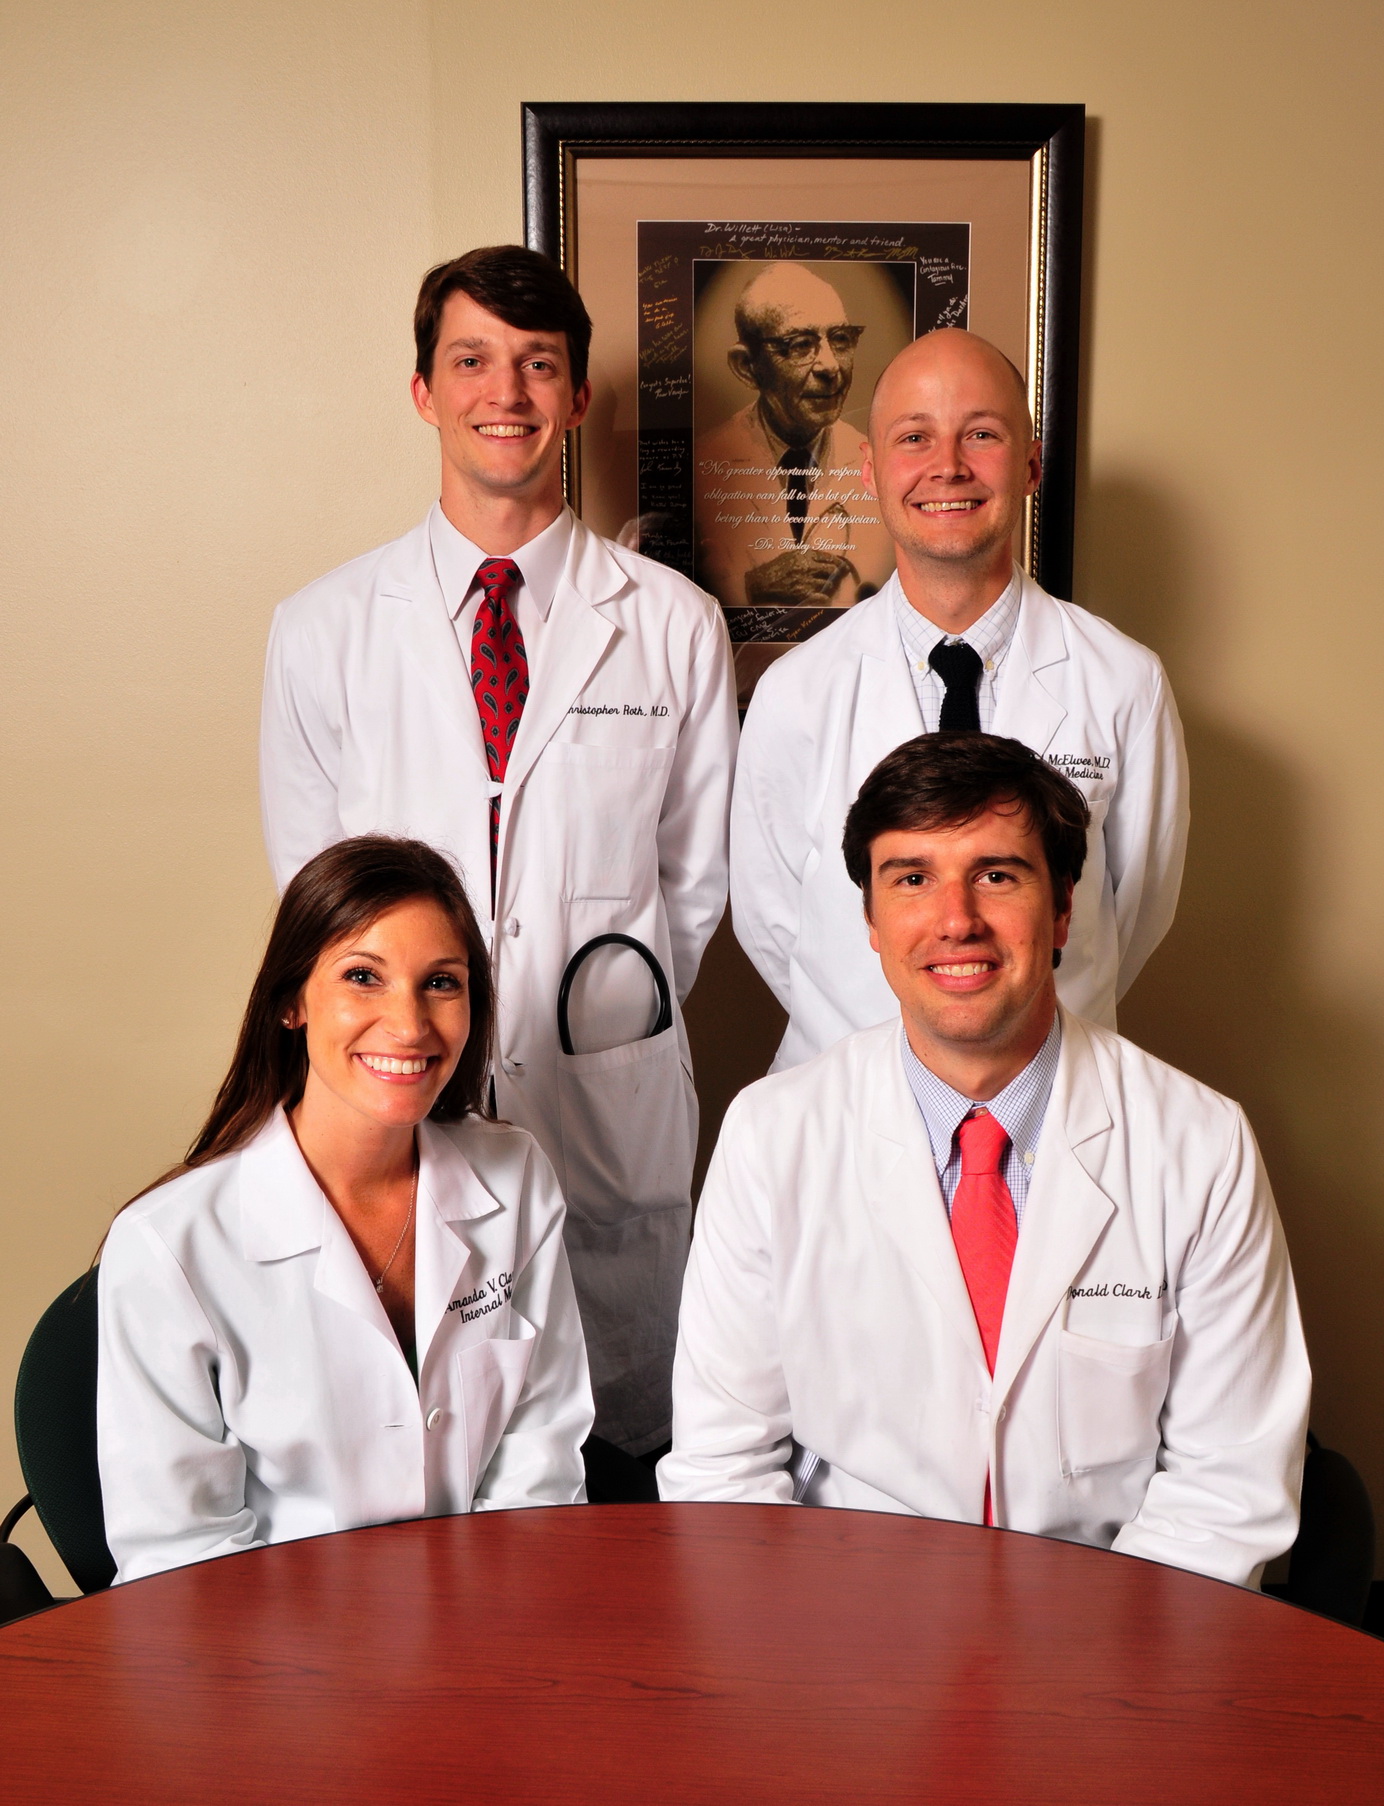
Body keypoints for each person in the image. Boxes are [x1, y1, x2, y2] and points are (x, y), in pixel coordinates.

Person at [260, 247, 737, 1467]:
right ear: (424, 390)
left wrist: (593, 1010)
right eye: (471, 361)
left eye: (537, 365)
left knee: (613, 1456)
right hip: (395, 1083)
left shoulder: (672, 623)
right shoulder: (323, 629)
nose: (505, 392)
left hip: (601, 1092)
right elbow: (314, 900)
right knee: (418, 1436)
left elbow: (691, 886)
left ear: (578, 398)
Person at [661, 735, 1309, 1588]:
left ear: (1064, 909)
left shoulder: (1200, 1144)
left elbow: (1225, 1489)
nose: (956, 919)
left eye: (997, 875)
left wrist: (1095, 1659)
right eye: (912, 879)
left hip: (1112, 1618)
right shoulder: (771, 1135)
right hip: (843, 1617)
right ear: (871, 922)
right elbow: (724, 1468)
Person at [98, 837, 593, 1583]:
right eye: (364, 977)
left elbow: (540, 1464)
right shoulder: (167, 1247)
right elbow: (181, 1560)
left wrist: (485, 1633)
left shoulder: (515, 1177)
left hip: (493, 1618)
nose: (409, 1025)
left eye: (442, 982)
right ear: (291, 1002)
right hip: (270, 1643)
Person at [730, 327, 1188, 1069]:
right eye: (915, 437)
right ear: (870, 470)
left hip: (1052, 1092)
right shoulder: (794, 693)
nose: (947, 466)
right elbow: (769, 920)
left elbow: (1134, 914)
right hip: (848, 1090)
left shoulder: (1126, 684)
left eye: (981, 434)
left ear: (1031, 462)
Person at [695, 262, 893, 615]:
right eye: (801, 345)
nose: (831, 366)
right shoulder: (700, 466)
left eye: (840, 340)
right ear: (747, 367)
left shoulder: (881, 466)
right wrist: (749, 586)